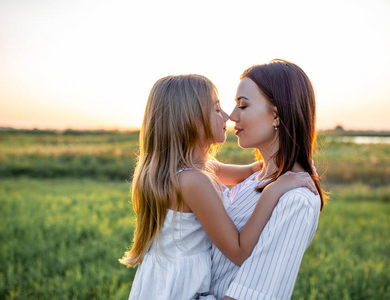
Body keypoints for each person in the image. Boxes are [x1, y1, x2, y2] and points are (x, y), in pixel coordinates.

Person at [119, 74, 318, 300]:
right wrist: (273, 190)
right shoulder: (193, 182)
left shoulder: (197, 169)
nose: (228, 116)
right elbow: (240, 251)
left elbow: (251, 170)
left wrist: (289, 164)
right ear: (190, 120)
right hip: (177, 290)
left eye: (240, 106)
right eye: (216, 109)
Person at [210, 59, 327, 300]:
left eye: (242, 105)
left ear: (276, 115)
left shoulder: (296, 200)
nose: (231, 116)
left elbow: (251, 295)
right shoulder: (254, 177)